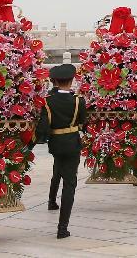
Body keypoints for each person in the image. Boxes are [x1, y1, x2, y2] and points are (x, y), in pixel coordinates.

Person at [36, 64, 87, 239]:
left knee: (58, 167)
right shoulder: (78, 100)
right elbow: (83, 123)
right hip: (72, 143)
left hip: (56, 144)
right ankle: (62, 228)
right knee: (70, 183)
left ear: (55, 81)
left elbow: (43, 128)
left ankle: (51, 201)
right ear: (72, 81)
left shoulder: (47, 101)